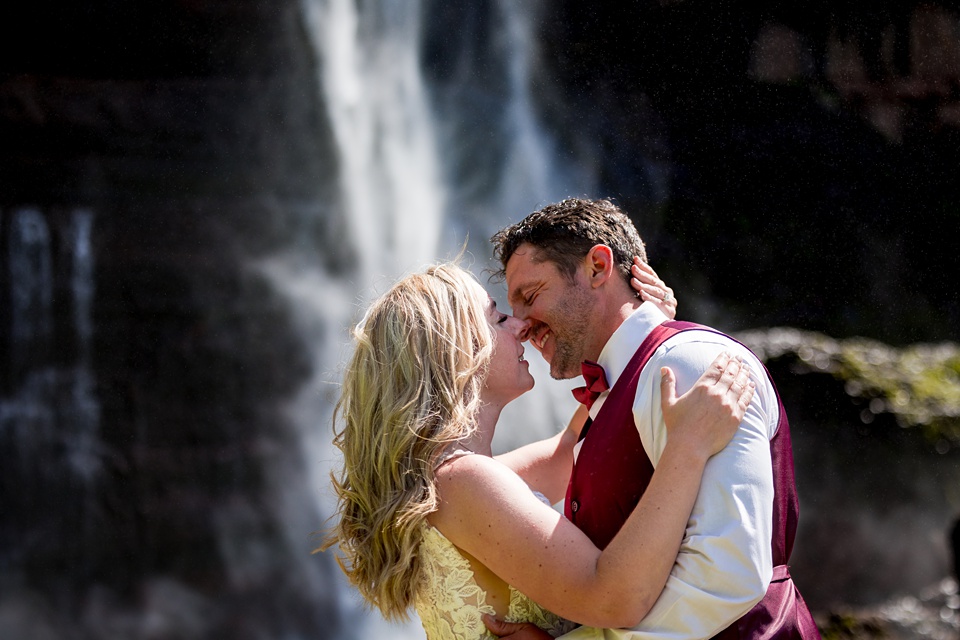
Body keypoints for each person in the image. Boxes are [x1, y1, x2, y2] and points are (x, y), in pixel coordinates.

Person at [320, 260, 756, 639]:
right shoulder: (462, 480)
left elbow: (568, 449)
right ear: (454, 352)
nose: (522, 326)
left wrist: (635, 331)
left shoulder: (444, 478)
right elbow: (611, 600)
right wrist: (688, 447)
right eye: (496, 319)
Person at [484, 197, 820, 640]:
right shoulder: (615, 391)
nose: (522, 325)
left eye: (530, 297)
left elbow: (725, 576)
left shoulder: (690, 366)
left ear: (598, 267)